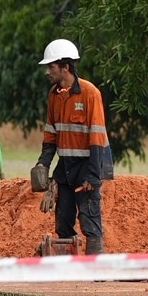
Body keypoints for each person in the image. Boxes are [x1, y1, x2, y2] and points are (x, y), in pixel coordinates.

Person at [32, 38, 112, 254]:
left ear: (66, 67)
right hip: (65, 168)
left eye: (51, 67)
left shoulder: (90, 93)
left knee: (89, 219)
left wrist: (93, 177)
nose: (47, 72)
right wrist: (43, 164)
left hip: (88, 165)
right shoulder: (54, 95)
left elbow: (97, 139)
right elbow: (51, 135)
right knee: (63, 221)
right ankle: (71, 267)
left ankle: (96, 269)